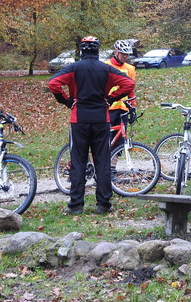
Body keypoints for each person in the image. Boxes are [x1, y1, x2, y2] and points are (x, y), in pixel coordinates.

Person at [48, 36, 135, 215]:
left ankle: (76, 205)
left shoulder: (74, 68)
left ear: (82, 50)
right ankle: (103, 204)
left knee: (78, 161)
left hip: (79, 119)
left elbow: (53, 83)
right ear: (97, 50)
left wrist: (66, 101)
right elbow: (129, 83)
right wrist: (111, 99)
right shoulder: (106, 69)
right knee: (102, 161)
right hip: (101, 119)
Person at [105, 39, 137, 144]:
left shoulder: (130, 69)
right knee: (105, 140)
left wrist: (133, 106)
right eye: (123, 54)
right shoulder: (105, 66)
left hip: (123, 108)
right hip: (108, 108)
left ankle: (114, 161)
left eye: (127, 54)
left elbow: (131, 90)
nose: (125, 57)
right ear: (116, 52)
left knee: (119, 143)